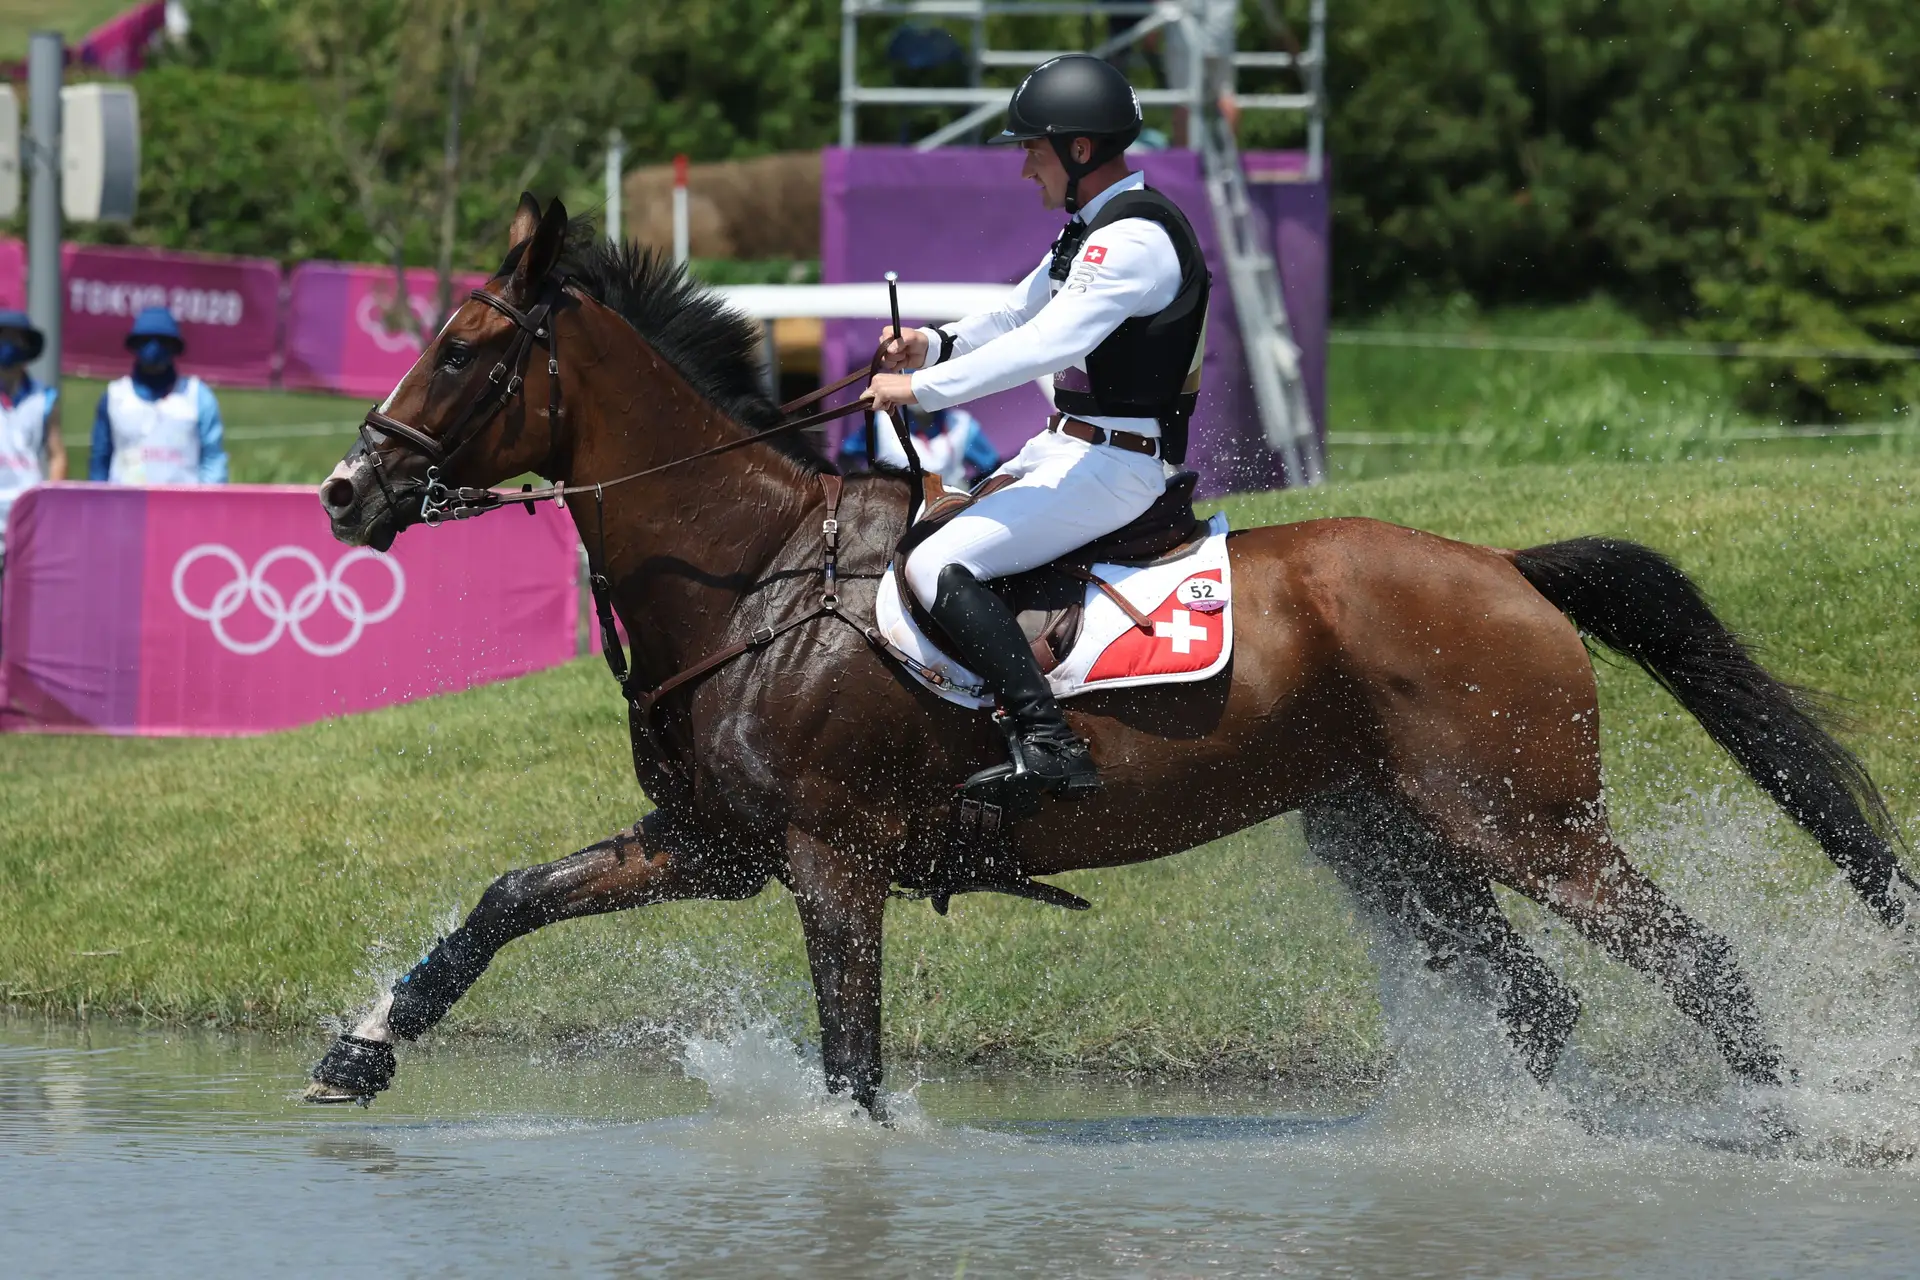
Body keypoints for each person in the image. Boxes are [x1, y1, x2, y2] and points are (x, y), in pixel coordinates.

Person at [865, 53, 1211, 809]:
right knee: (932, 534)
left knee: (937, 566)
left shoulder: (1134, 240)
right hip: (1072, 448)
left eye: (1033, 148)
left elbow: (1043, 345)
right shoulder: (1092, 230)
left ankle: (1046, 740)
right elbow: (1016, 313)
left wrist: (920, 388)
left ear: (1078, 151)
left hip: (1116, 468)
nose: (1026, 168)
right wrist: (933, 342)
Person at [89, 306, 228, 485]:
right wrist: (98, 505)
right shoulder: (114, 397)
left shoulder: (197, 396)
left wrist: (208, 506)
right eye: (146, 340)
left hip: (182, 508)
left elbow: (213, 459)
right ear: (135, 345)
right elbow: (100, 461)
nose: (154, 348)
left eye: (163, 341)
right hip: (123, 508)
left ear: (175, 347)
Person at [0, 310, 65, 602]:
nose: (9, 345)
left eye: (15, 339)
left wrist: (51, 499)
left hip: (27, 515)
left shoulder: (44, 397)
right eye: (3, 337)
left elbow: (56, 454)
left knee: (22, 604)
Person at [838, 405, 1002, 489]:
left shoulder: (962, 424)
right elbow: (845, 458)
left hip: (947, 513)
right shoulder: (882, 422)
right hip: (891, 510)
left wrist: (970, 490)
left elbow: (994, 467)